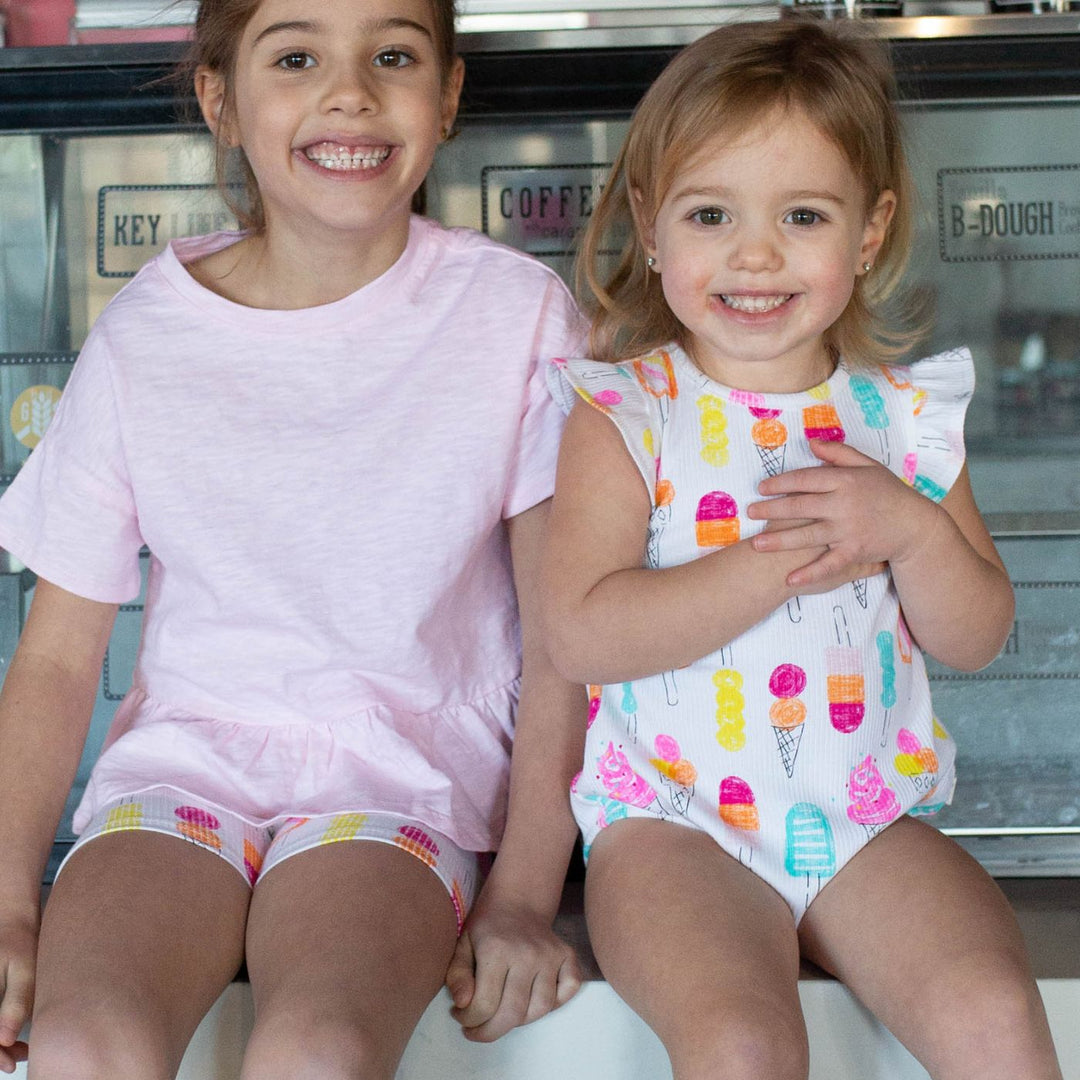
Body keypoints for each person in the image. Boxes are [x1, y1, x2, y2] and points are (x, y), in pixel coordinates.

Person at [0, 0, 587, 1074]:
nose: (350, 90)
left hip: (396, 786)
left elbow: (568, 643)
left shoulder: (517, 317)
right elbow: (52, 659)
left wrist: (524, 895)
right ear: (222, 100)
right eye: (298, 54)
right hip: (182, 776)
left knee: (315, 1053)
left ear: (447, 94)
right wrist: (4, 903)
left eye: (395, 54)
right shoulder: (146, 335)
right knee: (82, 1043)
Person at [539, 19, 1062, 1080]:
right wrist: (779, 560)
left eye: (803, 215)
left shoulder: (902, 418)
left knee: (995, 1011)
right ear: (650, 223)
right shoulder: (631, 411)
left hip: (863, 814)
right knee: (741, 1046)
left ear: (869, 234)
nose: (756, 253)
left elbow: (975, 634)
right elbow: (580, 633)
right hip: (674, 824)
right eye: (711, 214)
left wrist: (910, 529)